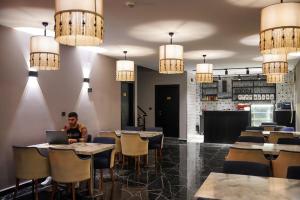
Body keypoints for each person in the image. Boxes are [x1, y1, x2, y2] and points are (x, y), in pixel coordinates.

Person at [41, 112, 88, 186]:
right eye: (69, 120)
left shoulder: (82, 127)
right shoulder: (67, 127)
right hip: (67, 149)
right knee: (53, 156)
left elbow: (85, 139)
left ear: (77, 119)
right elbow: (60, 137)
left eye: (72, 120)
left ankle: (76, 179)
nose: (70, 122)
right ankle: (51, 176)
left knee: (69, 159)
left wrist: (76, 140)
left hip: (79, 151)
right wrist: (63, 132)